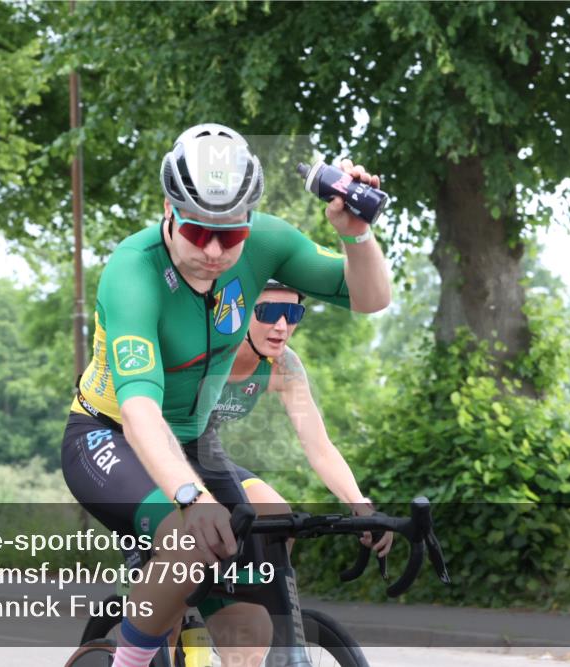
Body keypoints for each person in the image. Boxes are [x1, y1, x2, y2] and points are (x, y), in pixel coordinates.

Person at [61, 123, 390, 667]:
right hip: (109, 435)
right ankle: (128, 661)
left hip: (194, 444)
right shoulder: (133, 269)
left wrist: (355, 233)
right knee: (192, 539)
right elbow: (141, 409)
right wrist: (193, 500)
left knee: (250, 625)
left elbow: (371, 298)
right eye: (196, 233)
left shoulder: (269, 243)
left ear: (249, 224)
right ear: (169, 210)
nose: (214, 251)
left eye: (231, 237)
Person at [197, 280, 394, 557]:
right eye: (268, 312)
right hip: (148, 452)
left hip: (205, 457)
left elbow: (319, 447)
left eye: (292, 315)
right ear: (238, 312)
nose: (281, 326)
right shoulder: (203, 350)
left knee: (278, 522)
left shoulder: (283, 366)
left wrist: (360, 504)